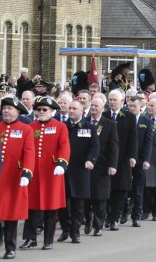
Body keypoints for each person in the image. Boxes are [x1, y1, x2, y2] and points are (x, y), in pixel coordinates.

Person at [20, 96, 70, 251]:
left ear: (52, 111)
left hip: (52, 173)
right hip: (33, 173)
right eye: (38, 109)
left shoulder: (60, 127)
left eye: (44, 110)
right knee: (31, 208)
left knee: (51, 209)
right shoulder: (31, 126)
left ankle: (48, 240)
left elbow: (64, 147)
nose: (41, 112)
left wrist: (62, 163)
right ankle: (30, 238)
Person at [0, 97, 35, 259]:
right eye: (4, 108)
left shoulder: (26, 130)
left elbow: (29, 153)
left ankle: (10, 247)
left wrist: (27, 173)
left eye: (10, 108)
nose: (6, 111)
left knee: (11, 214)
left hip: (14, 177)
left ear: (18, 111)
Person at [57, 100, 99, 243]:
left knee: (78, 204)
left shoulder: (89, 127)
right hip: (63, 170)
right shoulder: (62, 127)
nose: (71, 111)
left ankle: (75, 232)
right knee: (62, 204)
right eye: (70, 108)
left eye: (74, 108)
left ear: (82, 111)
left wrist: (91, 160)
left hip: (81, 170)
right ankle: (65, 229)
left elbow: (94, 147)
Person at [102, 89, 137, 231]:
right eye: (110, 100)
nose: (111, 102)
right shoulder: (104, 116)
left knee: (121, 190)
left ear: (122, 102)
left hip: (123, 159)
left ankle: (115, 218)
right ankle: (108, 216)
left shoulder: (129, 117)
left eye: (114, 100)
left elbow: (133, 138)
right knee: (107, 190)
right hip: (106, 158)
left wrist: (133, 156)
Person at [85, 97, 119, 236]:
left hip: (102, 166)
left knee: (100, 198)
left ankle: (98, 225)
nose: (93, 108)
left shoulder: (110, 124)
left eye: (96, 105)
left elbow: (114, 146)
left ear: (102, 108)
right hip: (86, 166)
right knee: (86, 197)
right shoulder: (84, 123)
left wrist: (113, 165)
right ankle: (87, 222)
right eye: (91, 105)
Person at [127, 96, 153, 227]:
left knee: (138, 189)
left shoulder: (146, 121)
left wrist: (147, 160)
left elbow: (148, 142)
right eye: (130, 106)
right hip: (125, 160)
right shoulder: (123, 119)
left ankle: (136, 215)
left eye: (134, 106)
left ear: (140, 107)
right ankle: (123, 211)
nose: (132, 109)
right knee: (124, 188)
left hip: (140, 160)